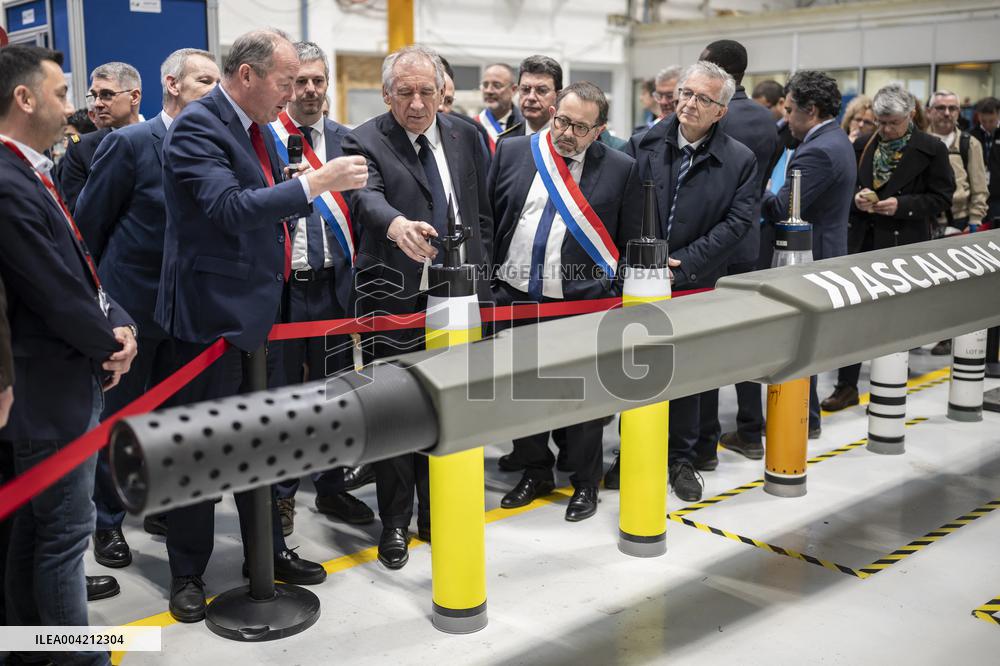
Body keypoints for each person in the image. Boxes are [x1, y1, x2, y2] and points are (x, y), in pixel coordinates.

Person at [155, 28, 367, 622]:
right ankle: (188, 572)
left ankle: (265, 556)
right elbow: (228, 210)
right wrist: (316, 182)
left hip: (262, 315)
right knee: (201, 449)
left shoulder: (259, 130)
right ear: (246, 75)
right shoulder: (199, 126)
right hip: (211, 319)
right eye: (284, 81)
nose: (291, 93)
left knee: (262, 444)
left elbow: (269, 208)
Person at [0, 44, 138, 664]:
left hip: (60, 380)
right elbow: (52, 291)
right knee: (64, 535)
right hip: (48, 390)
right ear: (24, 99)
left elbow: (81, 268)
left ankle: (28, 649)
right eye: (60, 93)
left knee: (37, 530)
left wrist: (119, 323)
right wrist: (109, 345)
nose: (73, 106)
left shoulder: (32, 171)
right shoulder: (8, 182)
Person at [342, 44, 492, 570]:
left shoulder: (466, 135)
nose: (417, 103)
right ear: (387, 95)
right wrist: (396, 225)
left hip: (459, 298)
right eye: (404, 93)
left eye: (427, 91)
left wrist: (484, 288)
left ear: (442, 91)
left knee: (448, 407)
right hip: (393, 298)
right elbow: (366, 198)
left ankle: (439, 512)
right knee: (395, 414)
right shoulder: (362, 139)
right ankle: (394, 523)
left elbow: (482, 214)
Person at [74, 48, 221, 571]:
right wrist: (102, 307)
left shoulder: (217, 147)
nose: (216, 91)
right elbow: (87, 230)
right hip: (132, 310)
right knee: (122, 420)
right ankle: (107, 521)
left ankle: (161, 505)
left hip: (191, 312)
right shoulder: (131, 143)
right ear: (172, 84)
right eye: (205, 81)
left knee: (175, 421)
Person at [490, 81, 642, 520]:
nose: (567, 133)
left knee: (584, 402)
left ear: (599, 130)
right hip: (516, 297)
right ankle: (535, 470)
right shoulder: (513, 152)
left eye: (580, 127)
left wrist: (611, 294)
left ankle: (585, 482)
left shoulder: (620, 168)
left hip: (581, 304)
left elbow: (630, 239)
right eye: (562, 121)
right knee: (523, 393)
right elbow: (491, 219)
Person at [626, 61, 758, 501]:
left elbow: (736, 223)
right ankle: (632, 450)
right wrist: (638, 261)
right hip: (639, 280)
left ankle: (681, 459)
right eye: (686, 93)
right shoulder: (643, 143)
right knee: (636, 368)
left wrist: (683, 265)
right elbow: (623, 207)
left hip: (694, 281)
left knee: (686, 374)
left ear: (721, 111)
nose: (689, 103)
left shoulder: (739, 160)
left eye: (703, 98)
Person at [268, 41, 374, 536]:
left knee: (334, 393)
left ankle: (331, 486)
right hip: (285, 291)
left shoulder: (348, 140)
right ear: (286, 85)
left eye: (317, 81)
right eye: (300, 81)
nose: (309, 90)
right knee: (284, 397)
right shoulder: (265, 137)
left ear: (327, 84)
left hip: (334, 286)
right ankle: (282, 496)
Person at [720, 71, 856, 458]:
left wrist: (751, 186)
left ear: (811, 111)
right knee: (802, 345)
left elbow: (784, 207)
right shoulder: (834, 139)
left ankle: (794, 419)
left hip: (806, 259)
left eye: (791, 110)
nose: (785, 117)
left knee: (790, 343)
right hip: (823, 251)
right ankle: (806, 417)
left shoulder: (818, 152)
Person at [821, 85, 955, 412]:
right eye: (880, 122)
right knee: (852, 318)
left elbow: (942, 198)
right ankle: (846, 386)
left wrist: (902, 206)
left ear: (910, 115)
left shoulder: (931, 149)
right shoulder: (864, 144)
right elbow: (846, 186)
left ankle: (888, 388)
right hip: (862, 242)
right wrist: (856, 198)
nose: (885, 129)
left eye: (893, 123)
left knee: (894, 323)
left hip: (902, 244)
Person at [694, 39, 778, 471]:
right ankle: (750, 428)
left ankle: (704, 440)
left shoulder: (713, 115)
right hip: (749, 243)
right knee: (746, 339)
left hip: (706, 246)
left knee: (705, 343)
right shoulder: (766, 119)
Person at [57, 62, 142, 212]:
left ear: (134, 97)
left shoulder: (163, 138)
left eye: (107, 95)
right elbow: (79, 213)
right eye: (94, 96)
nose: (97, 104)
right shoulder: (81, 149)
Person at [497, 55, 561, 140]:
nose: (531, 97)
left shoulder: (567, 140)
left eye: (541, 90)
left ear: (558, 96)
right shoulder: (506, 141)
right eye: (525, 89)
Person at [477, 62, 521, 151]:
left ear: (513, 90)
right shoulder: (473, 125)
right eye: (485, 85)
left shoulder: (525, 125)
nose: (489, 91)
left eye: (496, 85)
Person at [970, 96, 999, 223]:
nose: (987, 125)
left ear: (998, 114)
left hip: (997, 197)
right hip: (977, 196)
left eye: (991, 121)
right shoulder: (971, 136)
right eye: (983, 121)